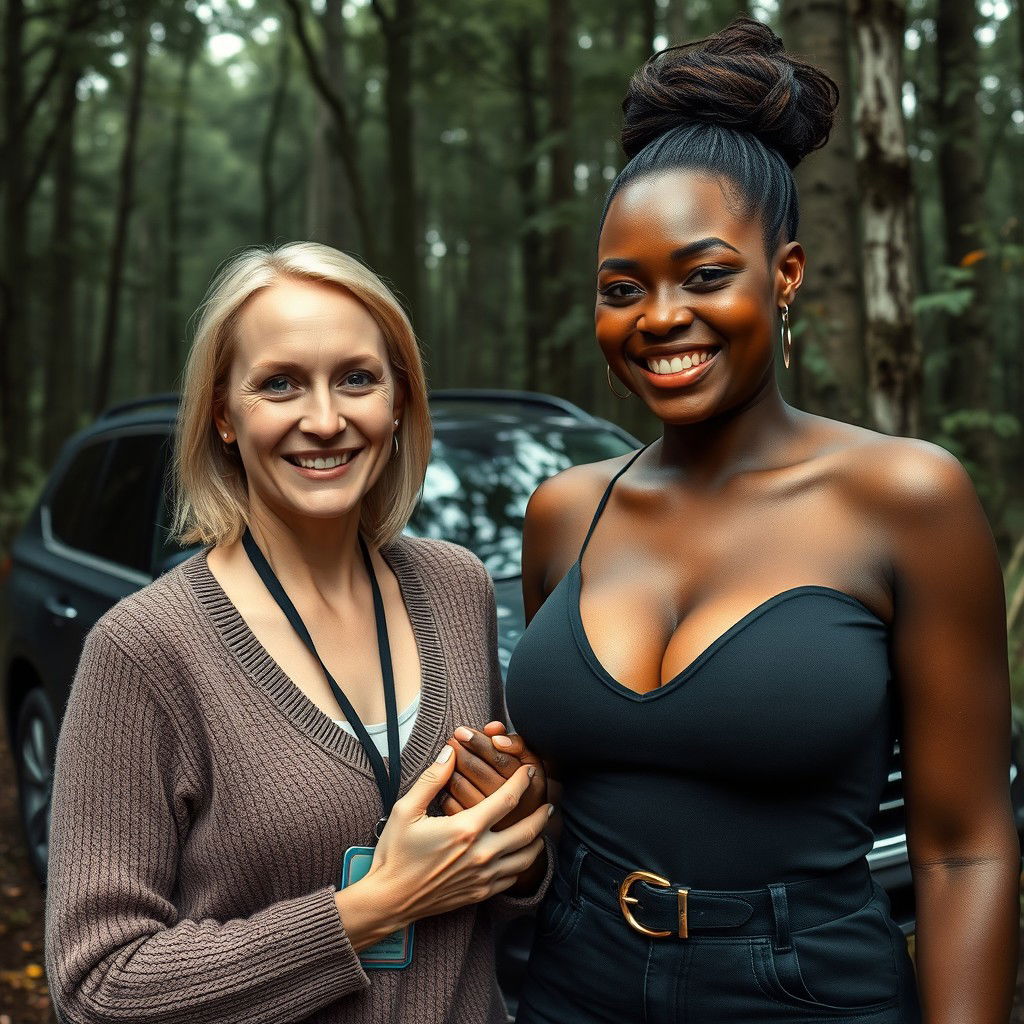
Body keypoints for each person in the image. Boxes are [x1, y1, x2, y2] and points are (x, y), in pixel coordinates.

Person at [501, 18, 1019, 1024]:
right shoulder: (565, 512)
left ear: (782, 276)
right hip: (572, 980)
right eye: (622, 289)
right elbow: (576, 791)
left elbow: (965, 846)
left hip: (806, 990)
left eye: (703, 275)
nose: (658, 317)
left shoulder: (907, 500)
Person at [44, 241, 552, 1024]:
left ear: (397, 400)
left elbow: (502, 898)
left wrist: (517, 845)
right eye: (280, 384)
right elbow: (96, 985)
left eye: (357, 378)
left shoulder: (458, 587)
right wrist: (367, 909)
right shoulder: (145, 649)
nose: (325, 419)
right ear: (222, 414)